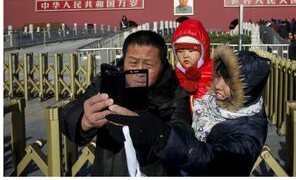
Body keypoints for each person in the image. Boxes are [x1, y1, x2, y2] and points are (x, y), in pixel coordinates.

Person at [106, 46, 270, 176]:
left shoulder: (248, 134)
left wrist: (161, 135)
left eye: (229, 83)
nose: (218, 85)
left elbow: (210, 160)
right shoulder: (212, 102)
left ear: (247, 90)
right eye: (218, 76)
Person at [60, 30, 191, 176]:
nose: (139, 69)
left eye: (148, 64)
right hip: (108, 171)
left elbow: (183, 143)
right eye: (133, 62)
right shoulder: (106, 84)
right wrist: (84, 120)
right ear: (124, 60)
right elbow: (69, 112)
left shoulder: (175, 94)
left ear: (163, 64)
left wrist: (151, 132)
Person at [171, 18, 213, 107]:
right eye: (180, 51)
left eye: (191, 51)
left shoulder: (216, 73)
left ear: (202, 51)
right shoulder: (173, 76)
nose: (185, 55)